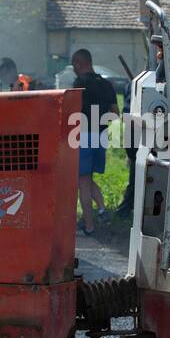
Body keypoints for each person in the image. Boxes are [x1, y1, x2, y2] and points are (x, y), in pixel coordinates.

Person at [71, 48, 118, 235]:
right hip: (101, 137)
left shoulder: (79, 84)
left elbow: (71, 112)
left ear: (78, 63)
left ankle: (88, 227)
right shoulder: (106, 84)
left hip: (83, 136)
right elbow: (116, 113)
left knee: (81, 180)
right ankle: (101, 209)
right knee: (88, 177)